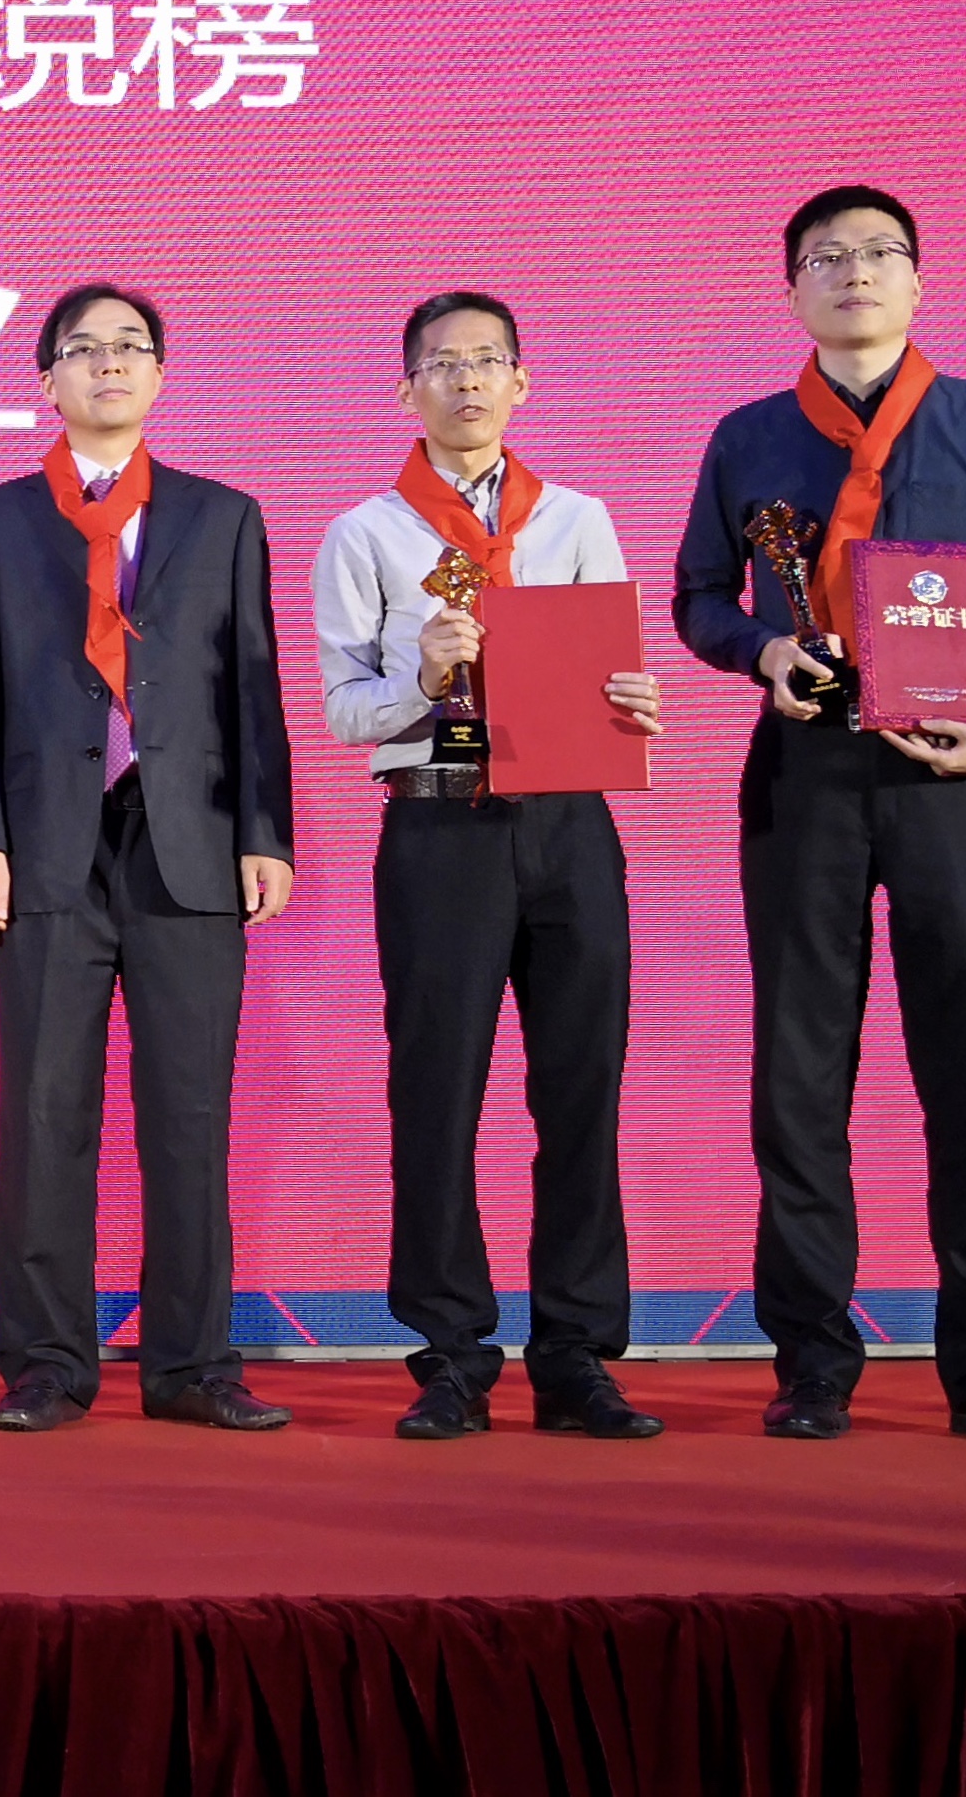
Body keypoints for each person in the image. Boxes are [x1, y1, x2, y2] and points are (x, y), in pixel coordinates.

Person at [672, 187, 966, 1445]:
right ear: (791, 289)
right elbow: (699, 594)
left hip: (954, 778)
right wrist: (760, 651)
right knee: (800, 1070)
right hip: (804, 774)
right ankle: (812, 1357)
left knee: (965, 1062)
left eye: (878, 254)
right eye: (826, 257)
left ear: (916, 282)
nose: (853, 271)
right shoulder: (748, 435)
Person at [0, 283, 295, 1435]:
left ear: (157, 374)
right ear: (46, 379)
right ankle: (47, 1362)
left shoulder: (221, 516)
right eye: (83, 349)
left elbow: (252, 687)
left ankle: (194, 1364)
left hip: (188, 842)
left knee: (189, 1114)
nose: (108, 364)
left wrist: (264, 833)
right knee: (46, 1114)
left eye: (129, 347)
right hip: (45, 844)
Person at [311, 291, 665, 1443]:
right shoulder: (364, 533)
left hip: (567, 825)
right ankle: (450, 1355)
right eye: (441, 364)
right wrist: (420, 677)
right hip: (438, 826)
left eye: (487, 361)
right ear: (404, 390)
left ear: (520, 382)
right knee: (436, 1093)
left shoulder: (576, 518)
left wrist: (632, 699)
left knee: (581, 1089)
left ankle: (576, 1355)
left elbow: (610, 670)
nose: (465, 380)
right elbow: (342, 712)